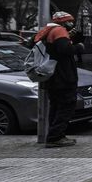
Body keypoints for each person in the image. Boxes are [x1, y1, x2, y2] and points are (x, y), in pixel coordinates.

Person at [31, 11, 79, 147]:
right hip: (63, 76)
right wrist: (78, 47)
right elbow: (64, 50)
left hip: (52, 76)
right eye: (70, 21)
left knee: (56, 106)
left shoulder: (48, 30)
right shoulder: (59, 31)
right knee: (66, 105)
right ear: (63, 22)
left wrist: (68, 38)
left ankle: (55, 135)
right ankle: (55, 137)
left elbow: (54, 48)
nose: (71, 24)